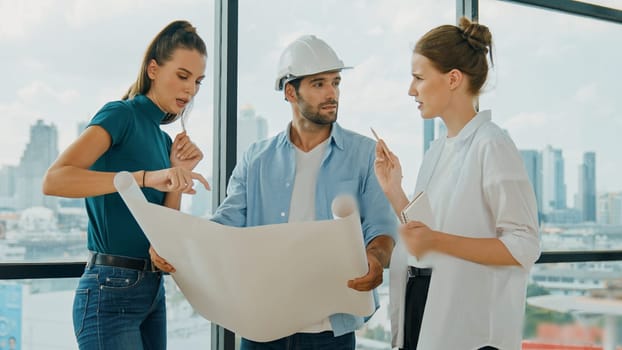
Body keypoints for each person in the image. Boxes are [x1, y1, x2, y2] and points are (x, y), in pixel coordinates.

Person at [152, 34, 396, 349]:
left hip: (329, 333)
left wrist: (375, 259)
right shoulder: (257, 158)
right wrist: (177, 242)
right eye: (319, 84)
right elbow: (226, 222)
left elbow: (381, 228)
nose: (332, 93)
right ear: (290, 92)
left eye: (335, 83)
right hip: (263, 328)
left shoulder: (364, 154)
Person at [373, 18, 540, 350]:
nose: (410, 90)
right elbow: (426, 233)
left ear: (452, 79)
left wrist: (437, 240)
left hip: (469, 326)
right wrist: (395, 191)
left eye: (418, 78)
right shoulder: (438, 148)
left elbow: (524, 244)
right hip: (421, 305)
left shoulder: (491, 144)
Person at [42, 20, 209, 350]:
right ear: (153, 69)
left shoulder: (163, 141)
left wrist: (177, 173)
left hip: (152, 290)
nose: (190, 90)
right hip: (109, 289)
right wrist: (146, 177)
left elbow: (162, 237)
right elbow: (55, 180)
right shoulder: (121, 114)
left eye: (198, 81)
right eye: (182, 76)